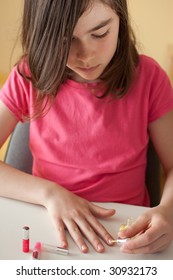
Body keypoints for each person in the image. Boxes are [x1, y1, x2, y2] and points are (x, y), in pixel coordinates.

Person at [0, 0, 173, 255]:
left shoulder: (149, 77)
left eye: (100, 33)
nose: (86, 54)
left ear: (120, 21)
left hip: (123, 233)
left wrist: (167, 210)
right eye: (65, 40)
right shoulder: (27, 77)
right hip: (46, 227)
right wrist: (49, 193)